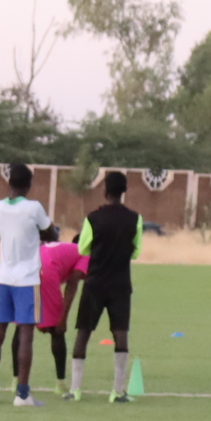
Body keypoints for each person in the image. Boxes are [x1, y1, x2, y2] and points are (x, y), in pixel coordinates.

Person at [0, 162, 55, 407]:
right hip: (27, 279)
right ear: (29, 185)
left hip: (4, 278)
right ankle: (22, 394)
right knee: (25, 336)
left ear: (9, 183)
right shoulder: (34, 207)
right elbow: (51, 233)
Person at [68, 171, 142, 402]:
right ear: (124, 192)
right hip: (120, 284)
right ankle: (117, 391)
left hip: (95, 283)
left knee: (83, 333)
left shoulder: (93, 218)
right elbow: (136, 251)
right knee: (121, 334)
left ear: (105, 191)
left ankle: (75, 390)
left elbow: (82, 249)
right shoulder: (135, 219)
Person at [36, 234, 88, 397]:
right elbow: (73, 283)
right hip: (48, 270)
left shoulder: (64, 248)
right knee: (57, 331)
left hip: (31, 261)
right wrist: (62, 319)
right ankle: (60, 383)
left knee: (24, 326)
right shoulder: (86, 253)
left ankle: (16, 382)